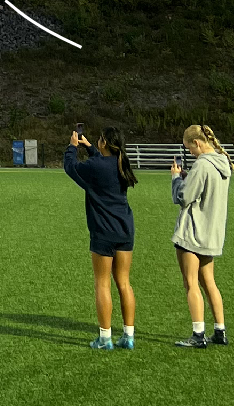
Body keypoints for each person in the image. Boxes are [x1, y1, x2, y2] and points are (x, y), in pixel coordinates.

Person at [64, 126, 139, 350]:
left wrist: (72, 147)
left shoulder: (96, 166)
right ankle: (129, 336)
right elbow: (103, 164)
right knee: (124, 283)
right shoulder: (121, 162)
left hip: (103, 231)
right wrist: (89, 148)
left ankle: (105, 338)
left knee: (102, 283)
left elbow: (71, 167)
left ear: (104, 142)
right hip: (125, 228)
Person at [171, 123, 234, 348]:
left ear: (197, 143)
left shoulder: (202, 165)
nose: (190, 153)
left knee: (191, 283)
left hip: (193, 232)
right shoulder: (222, 162)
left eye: (190, 148)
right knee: (209, 282)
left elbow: (184, 197)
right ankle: (220, 330)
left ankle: (198, 334)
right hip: (212, 233)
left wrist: (177, 179)